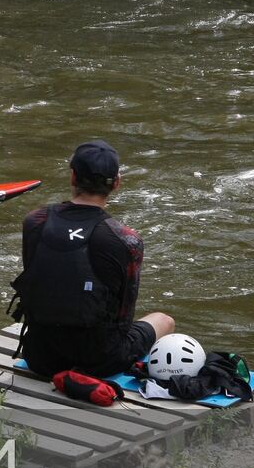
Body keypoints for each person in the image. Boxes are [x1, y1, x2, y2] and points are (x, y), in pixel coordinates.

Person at [10, 140, 176, 379]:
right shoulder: (125, 239)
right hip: (100, 361)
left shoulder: (35, 221)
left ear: (73, 177)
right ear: (116, 183)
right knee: (164, 320)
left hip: (40, 356)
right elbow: (124, 315)